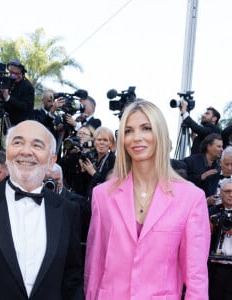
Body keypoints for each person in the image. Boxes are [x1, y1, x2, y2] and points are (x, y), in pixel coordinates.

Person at [0, 120, 84, 300]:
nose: (26, 151)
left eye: (37, 145)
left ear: (51, 161)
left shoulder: (68, 210)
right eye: (18, 143)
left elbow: (71, 278)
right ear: (7, 153)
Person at [84, 100, 210, 299]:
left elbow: (196, 278)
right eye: (128, 131)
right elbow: (94, 267)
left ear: (159, 133)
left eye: (146, 128)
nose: (136, 138)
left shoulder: (191, 198)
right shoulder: (103, 195)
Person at [208, 178, 232, 299]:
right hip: (215, 265)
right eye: (227, 191)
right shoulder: (212, 211)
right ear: (221, 193)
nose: (231, 194)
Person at [59, 125, 95, 197]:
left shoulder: (94, 155)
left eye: (84, 134)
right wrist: (69, 154)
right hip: (69, 192)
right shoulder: (72, 153)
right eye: (79, 133)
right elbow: (61, 169)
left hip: (84, 195)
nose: (80, 136)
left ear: (91, 138)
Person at [184, 133, 223, 198]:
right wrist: (200, 177)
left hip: (212, 206)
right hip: (192, 202)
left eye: (222, 147)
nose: (221, 149)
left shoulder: (220, 165)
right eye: (219, 146)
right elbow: (181, 180)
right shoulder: (191, 161)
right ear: (208, 146)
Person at [1, 58, 35, 126]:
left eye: (18, 74)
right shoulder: (9, 82)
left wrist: (8, 98)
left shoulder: (28, 87)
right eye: (12, 74)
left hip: (21, 124)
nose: (16, 77)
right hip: (7, 122)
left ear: (21, 71)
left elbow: (26, 107)